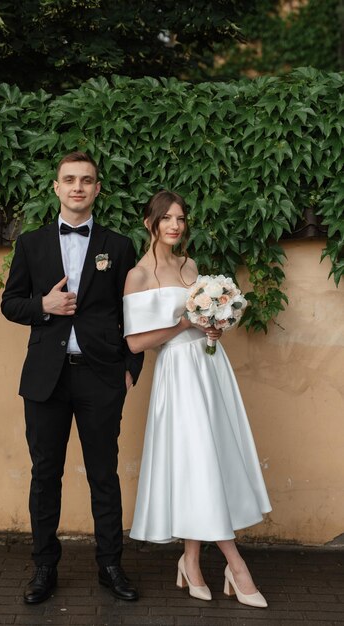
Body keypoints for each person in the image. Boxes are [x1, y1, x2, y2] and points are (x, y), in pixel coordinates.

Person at [1, 151, 144, 604]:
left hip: (102, 378)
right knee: (46, 474)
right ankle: (44, 568)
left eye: (86, 180)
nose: (78, 187)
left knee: (104, 474)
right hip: (46, 379)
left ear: (97, 188)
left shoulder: (118, 246)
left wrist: (130, 370)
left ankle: (110, 566)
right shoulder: (31, 244)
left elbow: (133, 315)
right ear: (56, 188)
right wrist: (42, 306)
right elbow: (10, 303)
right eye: (69, 179)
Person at [123, 190, 271, 608]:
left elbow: (200, 319)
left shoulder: (190, 265)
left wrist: (211, 325)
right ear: (150, 222)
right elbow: (136, 343)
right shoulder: (138, 275)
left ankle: (190, 561)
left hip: (210, 367)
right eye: (166, 218)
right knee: (199, 459)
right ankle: (236, 564)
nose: (175, 225)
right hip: (177, 374)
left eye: (181, 219)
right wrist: (185, 323)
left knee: (208, 461)